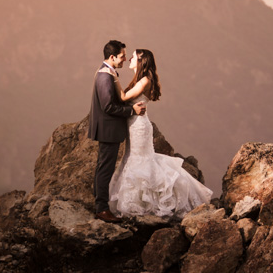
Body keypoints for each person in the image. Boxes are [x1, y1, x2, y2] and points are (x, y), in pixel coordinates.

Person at [109, 48, 214, 218]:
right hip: (134, 124)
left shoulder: (144, 81)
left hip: (139, 126)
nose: (130, 59)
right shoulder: (141, 79)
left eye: (133, 57)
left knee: (141, 160)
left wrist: (112, 75)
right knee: (133, 158)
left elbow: (122, 97)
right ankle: (141, 201)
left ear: (142, 60)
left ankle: (148, 202)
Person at [88, 40, 146, 223]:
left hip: (107, 128)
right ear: (112, 57)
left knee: (102, 167)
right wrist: (131, 111)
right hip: (108, 129)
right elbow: (108, 106)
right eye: (122, 57)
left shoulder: (107, 72)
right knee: (105, 168)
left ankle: (100, 204)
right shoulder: (105, 76)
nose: (124, 60)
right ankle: (102, 209)